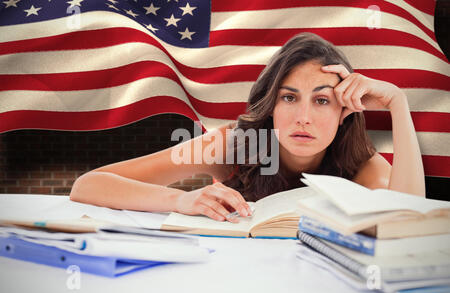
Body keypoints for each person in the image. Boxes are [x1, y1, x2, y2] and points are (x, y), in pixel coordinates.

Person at [70, 32, 425, 223]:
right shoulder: (235, 145)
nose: (303, 117)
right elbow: (89, 185)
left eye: (321, 100)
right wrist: (181, 199)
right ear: (271, 106)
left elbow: (409, 224)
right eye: (288, 98)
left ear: (344, 111)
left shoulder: (360, 161)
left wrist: (398, 103)